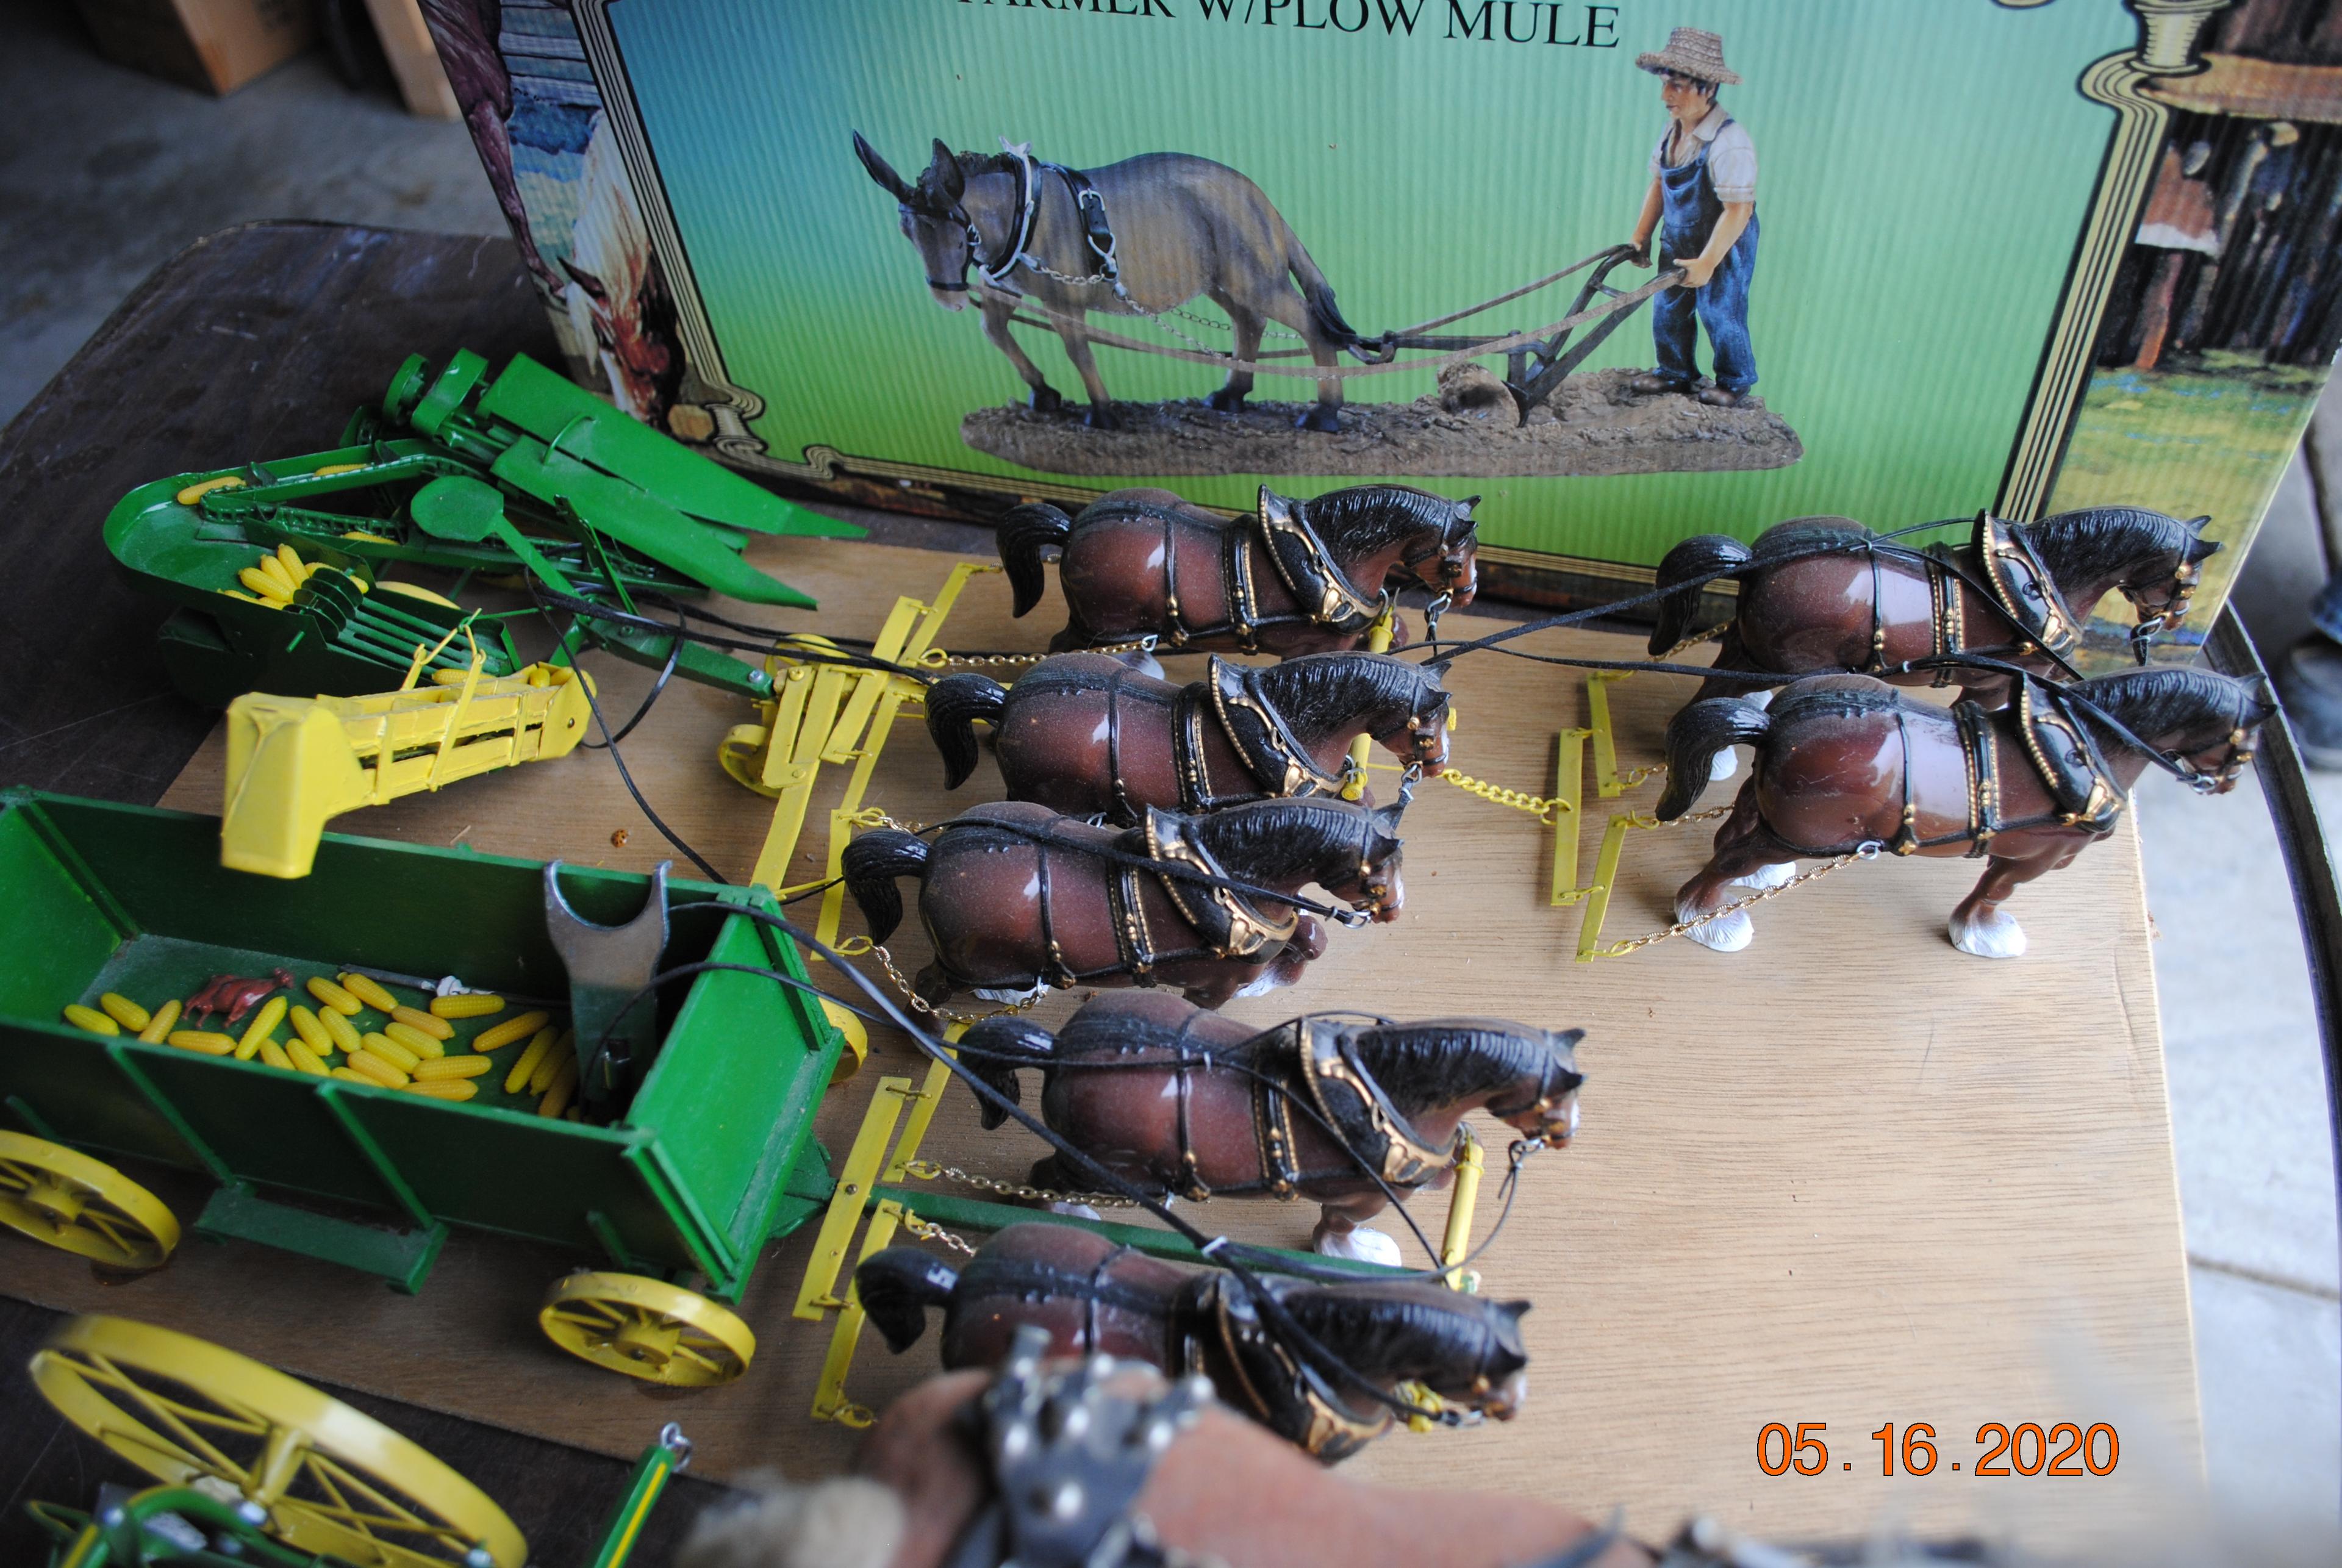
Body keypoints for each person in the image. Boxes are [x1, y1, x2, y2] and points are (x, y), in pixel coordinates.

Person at [1624, 29, 1758, 408]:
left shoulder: (1730, 143)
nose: (1666, 96)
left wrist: (1708, 262)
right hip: (1679, 237)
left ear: (1709, 88)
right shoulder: (1673, 132)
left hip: (1721, 243)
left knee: (1721, 311)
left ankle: (1734, 382)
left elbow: (1739, 210)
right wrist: (1641, 235)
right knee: (1668, 308)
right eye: (1667, 85)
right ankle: (1675, 372)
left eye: (1679, 87)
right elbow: (1659, 184)